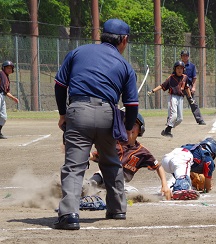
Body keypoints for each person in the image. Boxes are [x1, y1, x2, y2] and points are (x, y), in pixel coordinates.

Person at [53, 18, 138, 230]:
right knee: (110, 162)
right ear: (124, 40)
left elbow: (60, 84)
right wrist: (128, 128)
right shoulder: (125, 65)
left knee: (74, 166)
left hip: (78, 110)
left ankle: (70, 215)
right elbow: (131, 103)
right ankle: (117, 209)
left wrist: (63, 113)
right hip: (107, 114)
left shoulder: (78, 52)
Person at [85, 113, 172, 200]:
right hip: (105, 175)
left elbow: (158, 166)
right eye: (126, 124)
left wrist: (164, 185)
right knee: (97, 177)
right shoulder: (113, 144)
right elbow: (95, 155)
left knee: (134, 193)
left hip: (121, 183)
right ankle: (86, 187)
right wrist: (86, 156)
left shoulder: (143, 152)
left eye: (133, 124)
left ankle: (103, 194)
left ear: (140, 129)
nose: (129, 127)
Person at [147, 61, 194, 138]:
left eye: (181, 68)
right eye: (178, 68)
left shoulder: (185, 77)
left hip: (181, 98)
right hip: (173, 97)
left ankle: (167, 129)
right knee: (174, 115)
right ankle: (168, 128)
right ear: (174, 69)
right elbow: (162, 86)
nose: (179, 70)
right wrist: (152, 91)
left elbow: (187, 88)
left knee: (180, 119)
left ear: (183, 69)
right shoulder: (171, 78)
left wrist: (190, 97)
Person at [180, 50, 206, 125]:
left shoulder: (192, 66)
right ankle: (171, 120)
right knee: (176, 103)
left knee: (193, 103)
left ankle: (199, 119)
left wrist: (193, 87)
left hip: (189, 87)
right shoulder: (178, 65)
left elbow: (194, 78)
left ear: (188, 57)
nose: (185, 57)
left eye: (186, 55)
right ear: (181, 57)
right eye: (183, 55)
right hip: (180, 87)